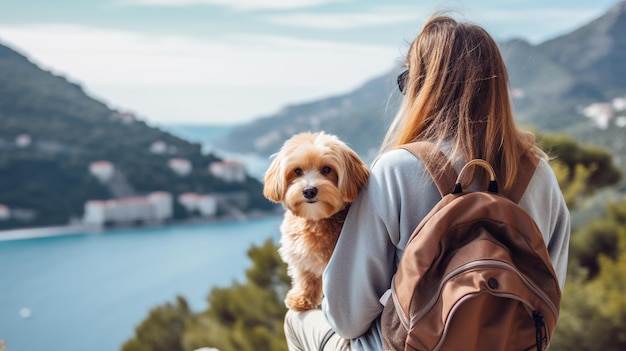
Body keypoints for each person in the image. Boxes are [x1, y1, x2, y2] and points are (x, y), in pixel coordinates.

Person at [284, 14, 570, 351]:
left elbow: (347, 317)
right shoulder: (540, 174)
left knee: (297, 320)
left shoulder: (397, 169)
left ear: (424, 87)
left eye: (407, 81)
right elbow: (548, 296)